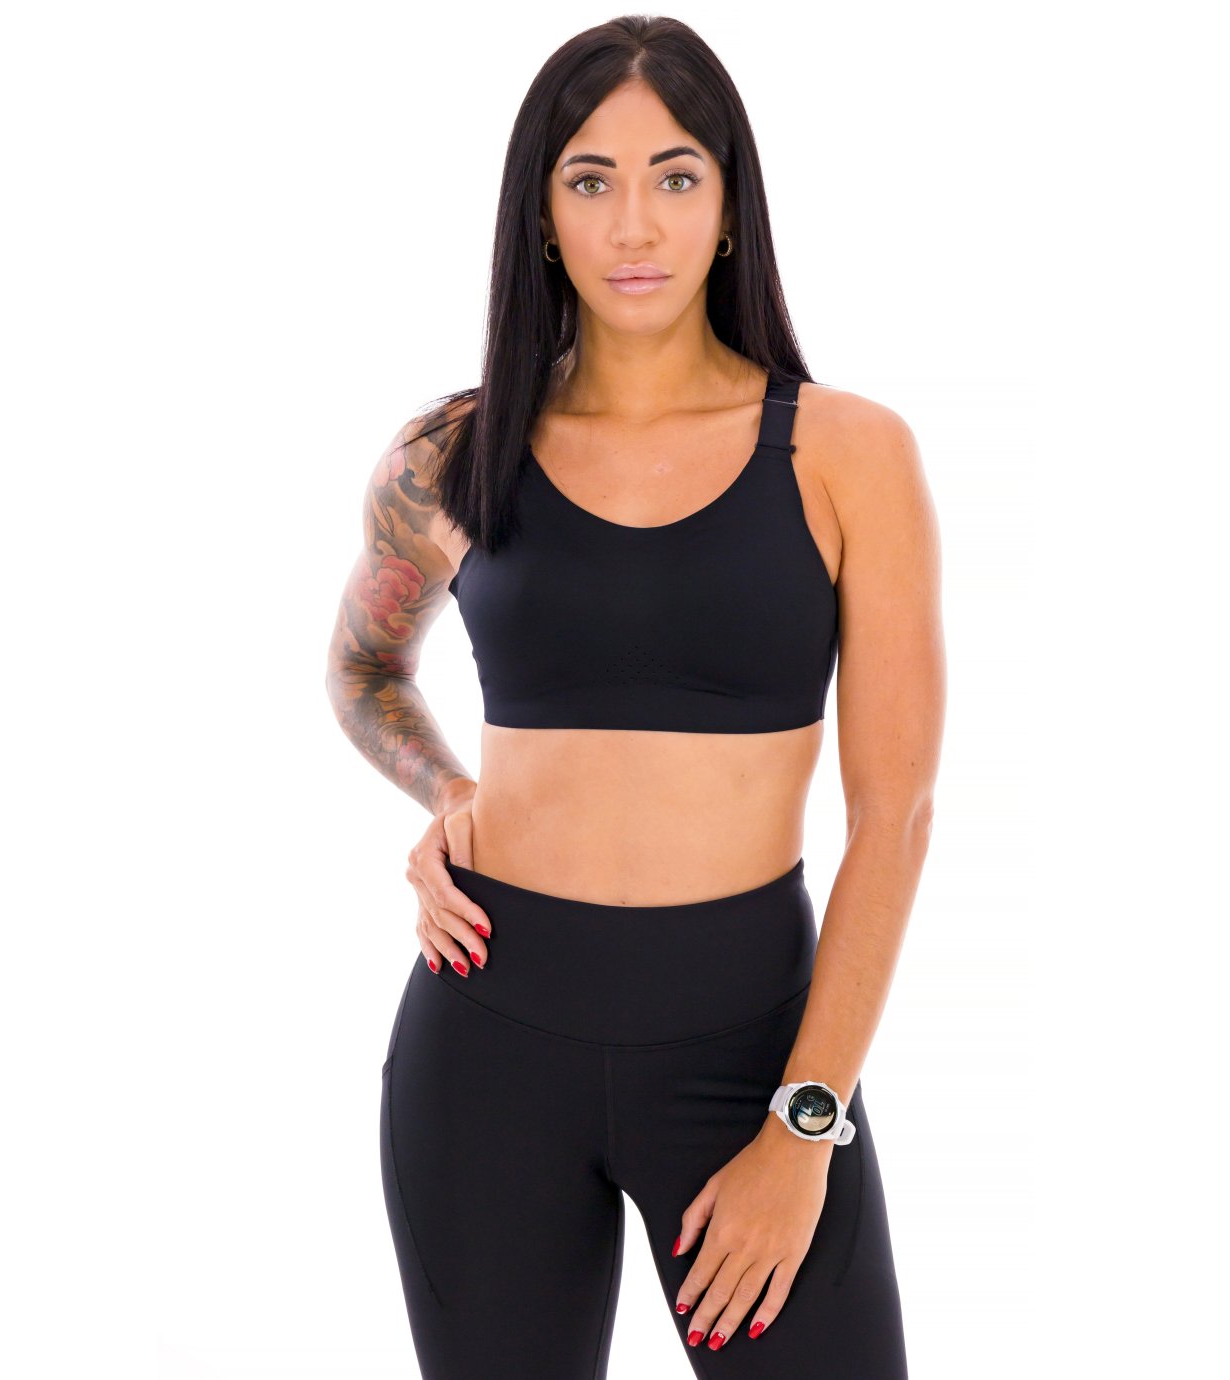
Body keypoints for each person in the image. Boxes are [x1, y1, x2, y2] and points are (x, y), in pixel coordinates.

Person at [325, 16, 945, 1378]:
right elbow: (364, 667)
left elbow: (893, 816)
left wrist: (803, 1126)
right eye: (589, 179)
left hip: (749, 1054)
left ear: (728, 205)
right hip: (487, 1039)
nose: (633, 224)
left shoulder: (846, 453)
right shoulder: (453, 453)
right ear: (541, 215)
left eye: (673, 175)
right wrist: (450, 794)